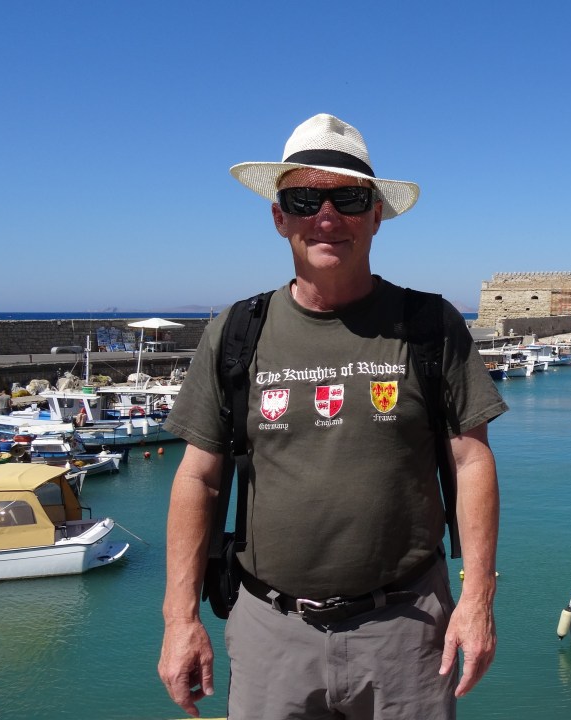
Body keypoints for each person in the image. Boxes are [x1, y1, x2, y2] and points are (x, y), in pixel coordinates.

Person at [157, 113, 508, 719]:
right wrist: (179, 618)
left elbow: (471, 460)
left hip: (408, 631)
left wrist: (476, 599)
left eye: (348, 198)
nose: (327, 216)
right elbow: (199, 478)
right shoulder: (237, 333)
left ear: (375, 215)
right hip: (271, 633)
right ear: (278, 216)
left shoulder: (429, 326)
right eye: (303, 198)